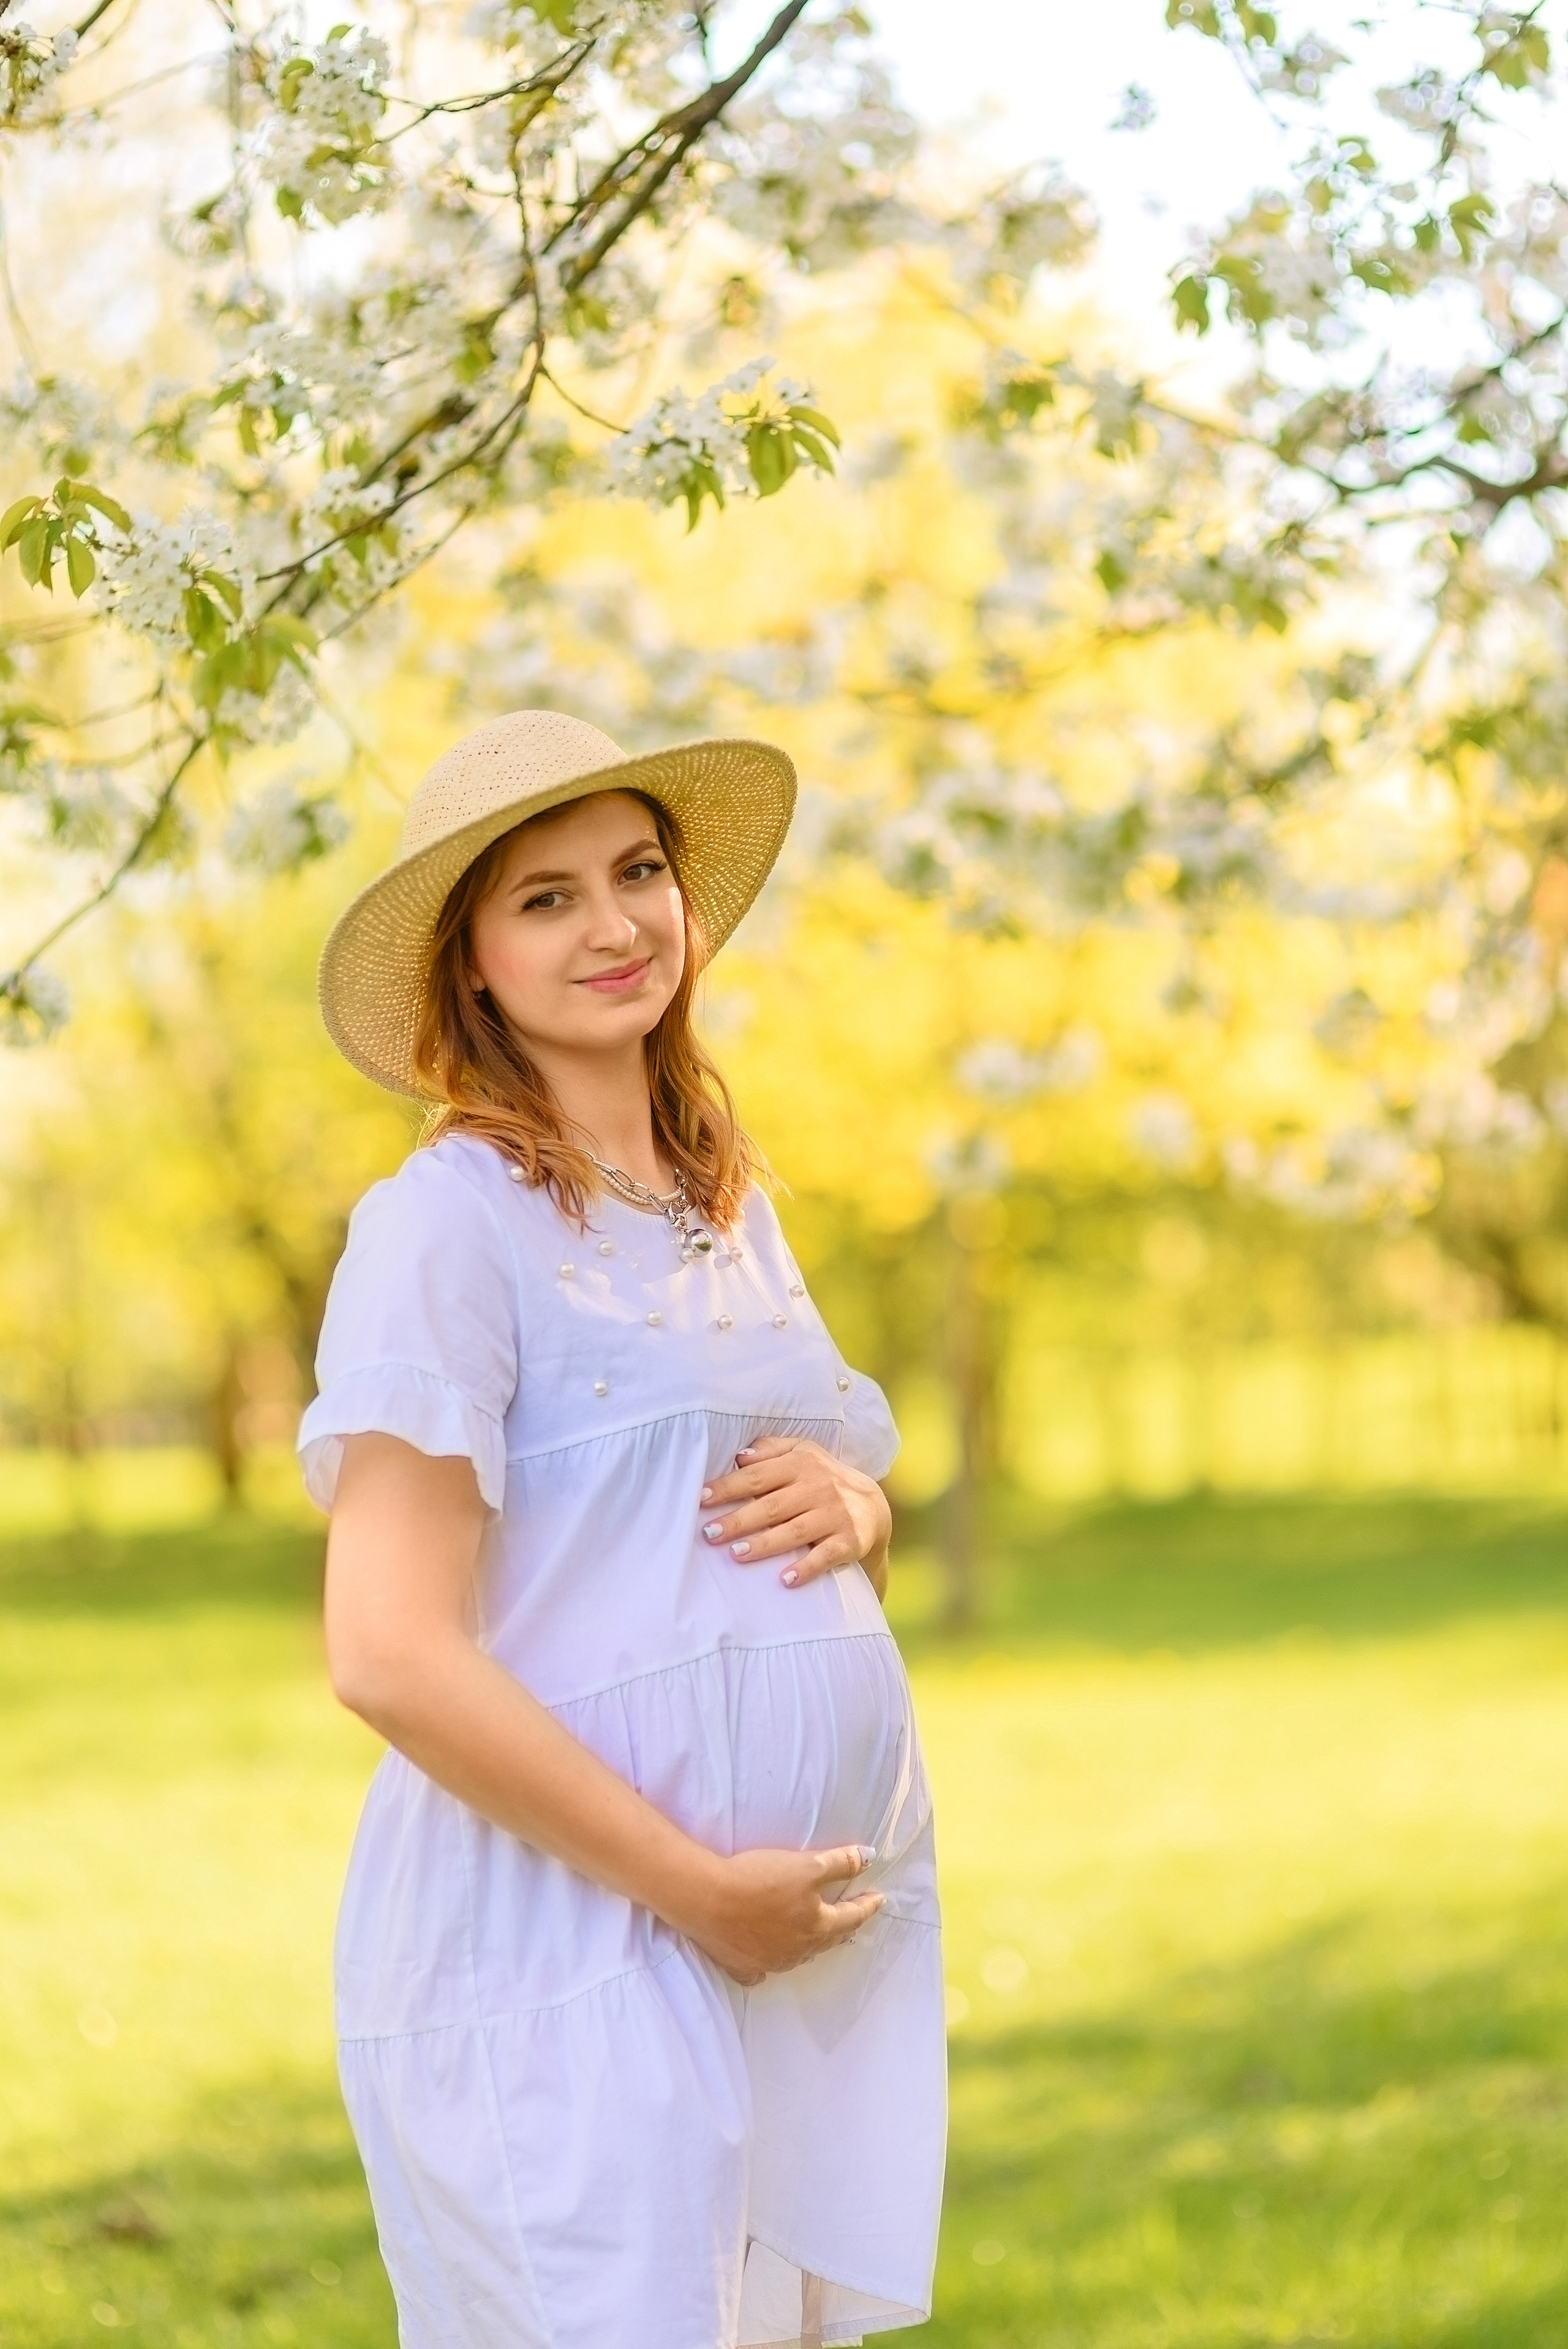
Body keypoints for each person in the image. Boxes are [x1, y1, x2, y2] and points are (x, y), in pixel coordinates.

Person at [298, 709, 946, 2349]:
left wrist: (862, 1505)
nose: (615, 924)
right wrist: (696, 1888)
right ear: (471, 965)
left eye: (639, 871)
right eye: (547, 897)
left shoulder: (727, 1204)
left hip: (771, 1959)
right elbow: (385, 1650)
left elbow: (742, 1525)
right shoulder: (443, 1226)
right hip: (568, 1944)